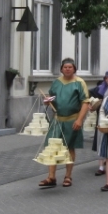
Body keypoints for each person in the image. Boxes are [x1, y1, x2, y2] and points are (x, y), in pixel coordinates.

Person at [38, 58, 90, 188]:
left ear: (74, 69)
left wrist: (79, 120)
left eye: (70, 67)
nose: (67, 69)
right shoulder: (56, 83)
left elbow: (85, 102)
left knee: (69, 147)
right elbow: (52, 99)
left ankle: (68, 176)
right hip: (57, 120)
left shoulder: (79, 83)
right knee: (52, 147)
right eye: (65, 67)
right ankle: (51, 177)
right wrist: (47, 102)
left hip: (72, 120)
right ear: (61, 69)